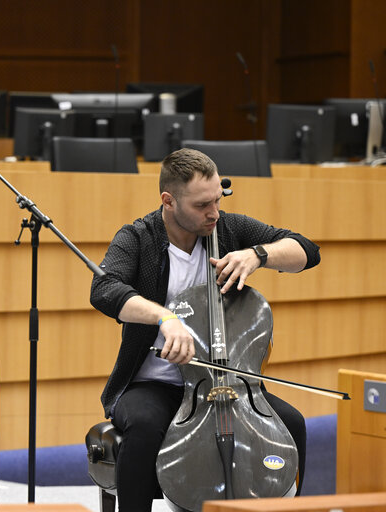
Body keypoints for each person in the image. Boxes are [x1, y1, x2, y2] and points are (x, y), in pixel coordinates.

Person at [90, 148, 320, 512]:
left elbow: (307, 250)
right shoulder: (138, 237)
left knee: (292, 423)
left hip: (228, 384)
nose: (213, 212)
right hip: (154, 383)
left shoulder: (226, 229)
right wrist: (164, 318)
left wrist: (259, 254)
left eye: (217, 199)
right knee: (146, 426)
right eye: (201, 205)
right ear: (169, 201)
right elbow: (104, 290)